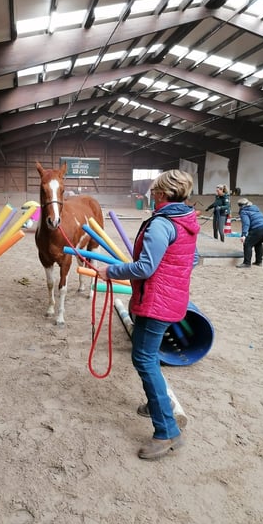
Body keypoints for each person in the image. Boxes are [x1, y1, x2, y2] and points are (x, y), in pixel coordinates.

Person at [95, 169, 199, 460]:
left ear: (163, 194)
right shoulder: (186, 220)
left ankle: (166, 431)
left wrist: (110, 271)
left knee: (143, 358)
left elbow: (144, 268)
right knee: (149, 356)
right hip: (171, 298)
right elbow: (193, 258)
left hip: (156, 302)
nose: (152, 196)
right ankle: (159, 406)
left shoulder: (162, 224)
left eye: (154, 192)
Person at [236, 198, 263, 268]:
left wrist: (243, 235)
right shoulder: (255, 208)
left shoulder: (243, 211)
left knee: (247, 244)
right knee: (258, 242)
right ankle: (258, 262)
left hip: (259, 228)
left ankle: (246, 263)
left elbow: (246, 224)